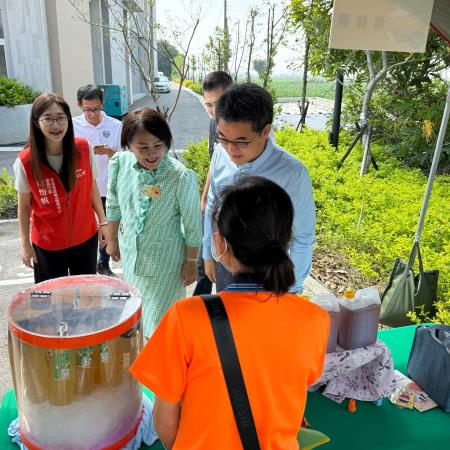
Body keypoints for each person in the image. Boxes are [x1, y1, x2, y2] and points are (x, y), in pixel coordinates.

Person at [130, 176, 330, 449]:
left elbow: (164, 421)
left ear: (220, 243)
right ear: (286, 240)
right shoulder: (314, 319)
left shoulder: (187, 316)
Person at [203, 82, 316, 293]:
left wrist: (291, 288)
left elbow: (303, 237)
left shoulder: (292, 173)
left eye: (241, 141)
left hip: (272, 276)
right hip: (227, 263)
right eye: (223, 138)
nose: (230, 149)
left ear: (265, 131)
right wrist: (209, 255)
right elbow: (212, 204)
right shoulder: (220, 153)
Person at [105, 108, 202, 337]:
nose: (152, 154)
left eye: (159, 145)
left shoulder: (180, 177)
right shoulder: (121, 164)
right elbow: (113, 204)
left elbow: (192, 225)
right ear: (129, 144)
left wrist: (190, 262)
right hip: (133, 259)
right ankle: (145, 363)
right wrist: (112, 239)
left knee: (162, 324)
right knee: (139, 315)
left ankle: (162, 368)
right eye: (143, 147)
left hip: (165, 265)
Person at [14, 92, 107, 283]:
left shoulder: (83, 148)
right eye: (48, 119)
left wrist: (103, 221)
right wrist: (25, 244)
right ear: (36, 122)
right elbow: (24, 206)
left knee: (87, 294)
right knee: (53, 302)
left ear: (68, 120)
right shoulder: (25, 161)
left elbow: (92, 187)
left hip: (85, 238)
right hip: (47, 244)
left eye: (61, 118)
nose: (56, 125)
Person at [73, 84, 122, 277]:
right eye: (87, 110)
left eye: (96, 109)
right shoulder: (72, 125)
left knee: (107, 225)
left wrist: (110, 153)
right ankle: (84, 263)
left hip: (108, 185)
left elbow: (124, 157)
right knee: (85, 227)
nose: (92, 114)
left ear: (102, 104)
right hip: (82, 187)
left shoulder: (115, 126)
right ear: (79, 105)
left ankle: (103, 262)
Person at [193, 70, 233, 296]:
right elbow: (214, 161)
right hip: (216, 207)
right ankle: (201, 306)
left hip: (236, 216)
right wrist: (205, 195)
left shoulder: (249, 128)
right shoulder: (213, 123)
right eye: (208, 104)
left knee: (224, 269)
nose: (214, 110)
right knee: (204, 260)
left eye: (218, 103)